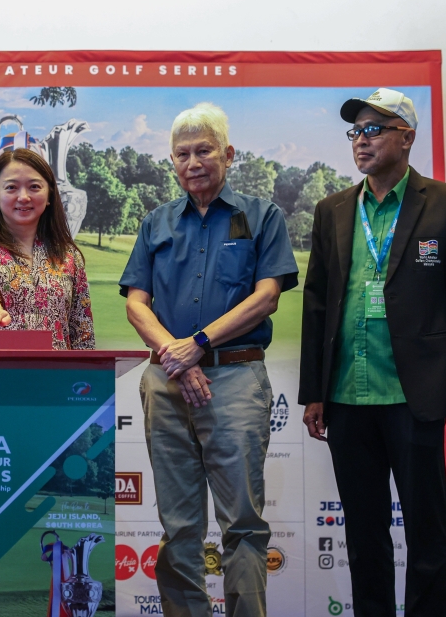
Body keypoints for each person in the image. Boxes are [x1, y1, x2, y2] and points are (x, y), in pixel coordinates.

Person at [299, 88, 446, 616]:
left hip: (416, 397)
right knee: (363, 534)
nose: (362, 141)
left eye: (374, 129)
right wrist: (313, 391)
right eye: (355, 131)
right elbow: (317, 306)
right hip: (346, 398)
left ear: (407, 136)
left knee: (427, 534)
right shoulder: (333, 209)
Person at [119, 102, 298, 617]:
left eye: (204, 151)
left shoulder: (262, 216)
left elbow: (266, 297)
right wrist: (179, 357)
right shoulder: (156, 222)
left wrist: (196, 343)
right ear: (172, 162)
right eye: (182, 154)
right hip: (167, 380)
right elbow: (136, 303)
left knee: (242, 523)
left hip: (237, 377)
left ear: (228, 154)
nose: (193, 162)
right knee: (178, 525)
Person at [0, 148, 94, 349]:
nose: (23, 197)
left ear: (49, 196)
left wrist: (89, 377)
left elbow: (82, 333)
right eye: (11, 187)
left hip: (57, 377)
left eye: (34, 187)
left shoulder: (69, 255)